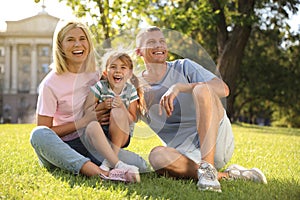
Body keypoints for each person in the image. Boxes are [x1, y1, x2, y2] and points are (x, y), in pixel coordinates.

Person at [133, 26, 267, 192]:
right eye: (151, 42)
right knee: (156, 156)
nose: (159, 46)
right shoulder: (136, 88)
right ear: (139, 51)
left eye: (162, 41)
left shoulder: (184, 66)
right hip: (184, 154)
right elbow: (125, 120)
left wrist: (181, 87)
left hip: (216, 141)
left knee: (202, 89)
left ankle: (208, 166)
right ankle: (226, 175)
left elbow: (223, 89)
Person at [29, 20, 146, 183]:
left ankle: (104, 165)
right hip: (64, 146)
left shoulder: (95, 74)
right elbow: (46, 130)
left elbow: (118, 89)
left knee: (141, 165)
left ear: (89, 43)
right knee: (38, 135)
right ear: (60, 46)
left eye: (82, 38)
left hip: (92, 142)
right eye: (70, 40)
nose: (78, 44)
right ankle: (99, 173)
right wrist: (82, 122)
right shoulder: (50, 84)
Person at [84, 51, 146, 177]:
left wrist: (122, 107)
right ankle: (116, 163)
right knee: (90, 126)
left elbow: (132, 119)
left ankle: (109, 161)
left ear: (129, 74)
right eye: (113, 67)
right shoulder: (100, 86)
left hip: (121, 134)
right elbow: (87, 111)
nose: (118, 71)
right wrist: (102, 106)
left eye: (123, 67)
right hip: (100, 134)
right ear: (106, 72)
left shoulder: (130, 91)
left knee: (118, 111)